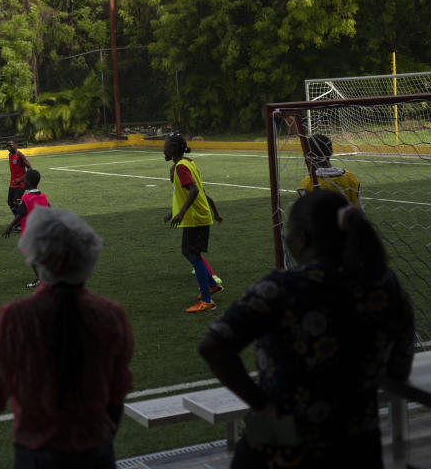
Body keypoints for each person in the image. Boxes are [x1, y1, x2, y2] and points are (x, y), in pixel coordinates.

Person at [198, 189, 415, 468]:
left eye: (289, 231)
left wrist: (262, 405)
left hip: (284, 448)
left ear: (303, 239)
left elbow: (213, 346)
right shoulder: (385, 286)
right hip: (358, 448)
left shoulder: (281, 289)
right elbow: (399, 367)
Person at [0, 206, 134, 469]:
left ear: (38, 258)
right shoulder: (110, 315)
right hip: (95, 448)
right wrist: (100, 440)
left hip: (36, 451)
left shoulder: (17, 317)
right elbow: (117, 391)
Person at [163, 133, 224, 313]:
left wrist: (181, 213)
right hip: (197, 216)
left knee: (193, 254)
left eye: (165, 146)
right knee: (188, 252)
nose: (163, 150)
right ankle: (212, 285)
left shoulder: (181, 167)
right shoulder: (188, 163)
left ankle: (207, 301)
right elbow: (194, 193)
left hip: (195, 217)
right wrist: (173, 213)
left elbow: (194, 190)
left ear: (173, 149)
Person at [2, 168, 50, 289]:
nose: (24, 183)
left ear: (28, 182)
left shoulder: (26, 197)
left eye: (25, 181)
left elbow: (20, 215)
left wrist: (9, 227)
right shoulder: (43, 196)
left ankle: (40, 279)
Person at [297, 134, 361, 206]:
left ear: (308, 155)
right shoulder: (350, 177)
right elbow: (359, 208)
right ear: (331, 152)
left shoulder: (307, 183)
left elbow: (306, 213)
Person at [6, 139, 31, 218]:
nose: (8, 148)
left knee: (17, 202)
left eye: (10, 145)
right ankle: (18, 222)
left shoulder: (20, 155)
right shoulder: (10, 155)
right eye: (7, 146)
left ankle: (22, 220)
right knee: (10, 202)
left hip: (21, 183)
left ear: (16, 145)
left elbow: (29, 168)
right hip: (12, 183)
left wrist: (21, 180)